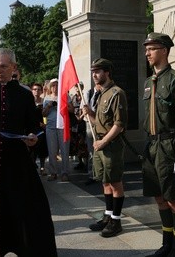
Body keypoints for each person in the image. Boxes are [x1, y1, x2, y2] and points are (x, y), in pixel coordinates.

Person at [0, 48, 57, 256]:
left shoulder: (24, 94)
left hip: (15, 162)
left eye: (3, 66)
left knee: (28, 209)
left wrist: (33, 137)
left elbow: (32, 126)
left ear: (14, 68)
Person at [142, 32, 175, 257]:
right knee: (160, 198)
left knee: (173, 199)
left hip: (169, 145)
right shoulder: (148, 81)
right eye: (146, 49)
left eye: (151, 49)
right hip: (152, 146)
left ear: (164, 50)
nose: (147, 53)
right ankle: (167, 243)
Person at [82, 58, 128, 238]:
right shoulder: (100, 93)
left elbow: (119, 125)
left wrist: (104, 142)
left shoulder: (117, 93)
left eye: (98, 71)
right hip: (100, 144)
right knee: (105, 181)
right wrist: (90, 114)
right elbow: (99, 123)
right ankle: (108, 216)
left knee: (115, 182)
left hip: (111, 145)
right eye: (93, 71)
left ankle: (116, 220)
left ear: (107, 72)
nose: (94, 75)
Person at [42, 78, 73, 182]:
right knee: (52, 150)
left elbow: (72, 110)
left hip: (63, 126)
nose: (55, 87)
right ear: (50, 87)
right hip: (50, 126)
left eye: (57, 85)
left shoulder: (65, 96)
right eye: (53, 85)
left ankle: (64, 172)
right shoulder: (47, 98)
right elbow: (43, 114)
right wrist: (49, 106)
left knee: (64, 150)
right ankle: (53, 172)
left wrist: (62, 105)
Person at [80, 83, 102, 185]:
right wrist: (85, 112)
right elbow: (82, 109)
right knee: (91, 151)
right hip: (89, 124)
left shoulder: (105, 92)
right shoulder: (88, 93)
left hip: (102, 125)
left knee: (102, 150)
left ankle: (102, 174)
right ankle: (91, 174)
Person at [31, 82, 48, 176]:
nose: (37, 91)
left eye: (38, 89)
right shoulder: (29, 101)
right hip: (32, 128)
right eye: (35, 89)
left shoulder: (44, 101)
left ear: (41, 91)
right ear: (32, 90)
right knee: (33, 149)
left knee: (43, 149)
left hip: (43, 129)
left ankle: (42, 167)